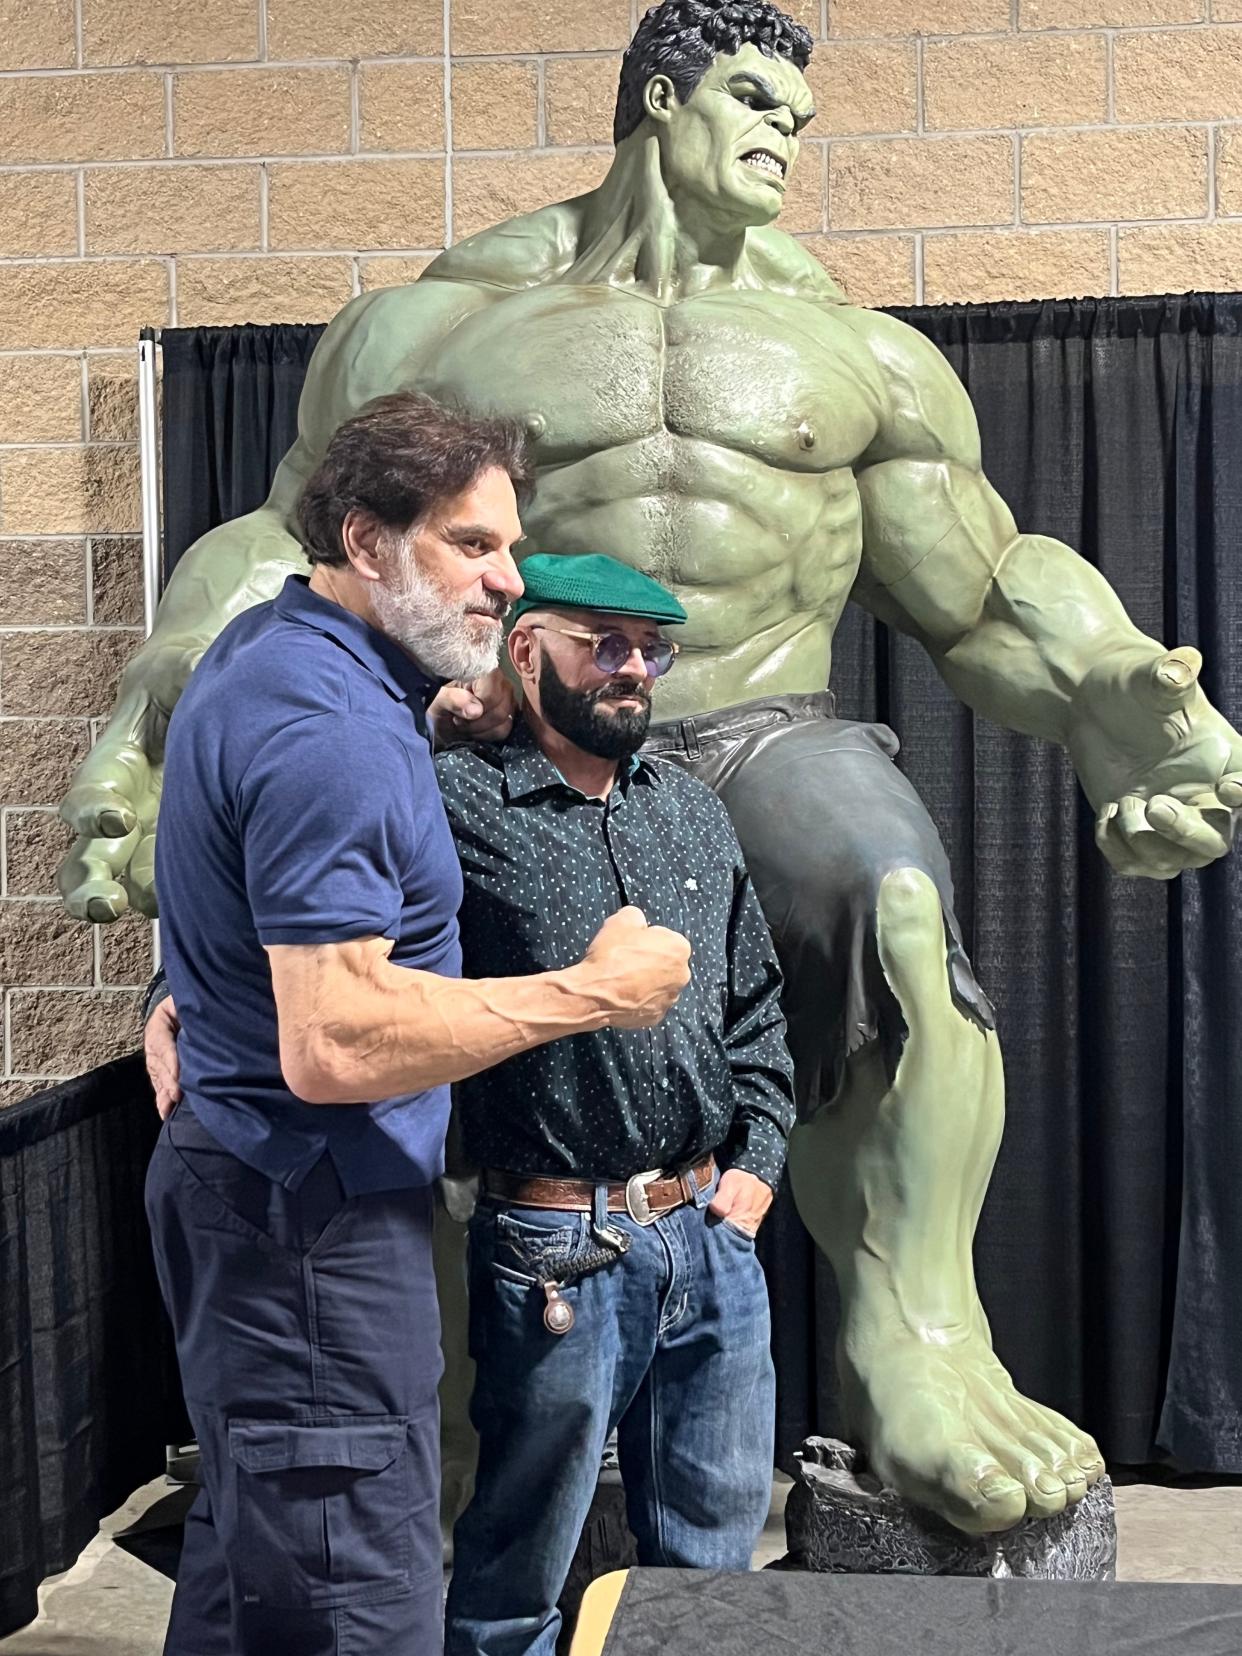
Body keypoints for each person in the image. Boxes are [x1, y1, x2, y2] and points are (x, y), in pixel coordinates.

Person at [63, 0, 1242, 1533]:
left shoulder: (853, 352)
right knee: (398, 971)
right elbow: (285, 544)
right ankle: (425, 1391)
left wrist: (1117, 704)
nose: (783, 137)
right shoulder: (439, 323)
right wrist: (151, 723)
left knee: (890, 897)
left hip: (764, 726)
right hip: (499, 726)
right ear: (658, 98)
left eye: (798, 119)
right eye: (754, 98)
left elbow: (986, 579)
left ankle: (917, 1337)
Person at [144, 396, 691, 1656]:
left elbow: (239, 865)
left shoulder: (284, 653)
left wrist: (428, 712)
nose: (507, 581)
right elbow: (334, 1041)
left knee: (254, 1570)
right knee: (357, 1599)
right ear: (366, 538)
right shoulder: (329, 729)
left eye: (509, 547)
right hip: (309, 1226)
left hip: (259, 1190)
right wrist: (596, 994)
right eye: (470, 545)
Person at [435, 553, 794, 1656]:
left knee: (715, 1566)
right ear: (525, 645)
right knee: (518, 1566)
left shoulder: (688, 809)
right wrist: (177, 988)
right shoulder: (451, 801)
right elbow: (316, 897)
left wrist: (758, 1170)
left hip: (711, 1234)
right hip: (553, 1242)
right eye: (604, 641)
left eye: (652, 647)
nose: (634, 667)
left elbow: (757, 1004)